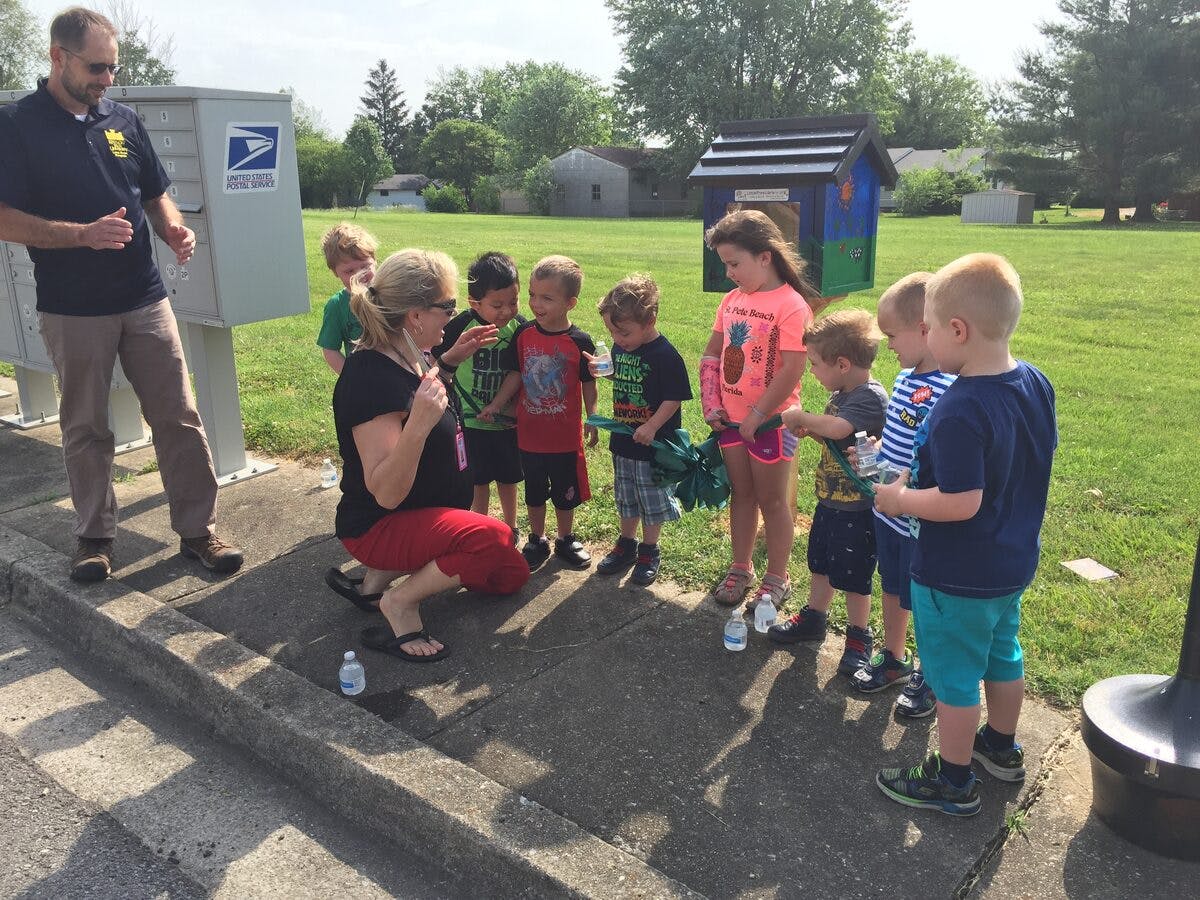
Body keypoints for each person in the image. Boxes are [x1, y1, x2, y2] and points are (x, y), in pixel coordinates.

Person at [0, 7, 242, 582]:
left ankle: (199, 531)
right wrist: (81, 236)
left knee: (179, 417)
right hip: (72, 307)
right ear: (58, 57)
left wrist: (172, 227)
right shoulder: (16, 124)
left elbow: (155, 191)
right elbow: (4, 216)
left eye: (113, 67)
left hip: (144, 297)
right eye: (97, 67)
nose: (107, 79)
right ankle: (93, 540)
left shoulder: (124, 119)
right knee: (86, 426)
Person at [873, 253, 1057, 816]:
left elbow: (961, 502)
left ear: (958, 330)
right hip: (1011, 562)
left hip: (957, 573)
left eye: (927, 328)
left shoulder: (958, 409)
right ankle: (999, 748)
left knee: (953, 676)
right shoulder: (1033, 383)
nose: (923, 338)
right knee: (1003, 655)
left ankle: (951, 779)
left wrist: (900, 499)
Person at [332, 249, 530, 662]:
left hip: (420, 512)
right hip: (378, 525)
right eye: (449, 307)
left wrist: (451, 361)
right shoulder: (369, 377)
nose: (454, 315)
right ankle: (399, 603)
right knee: (493, 537)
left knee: (511, 574)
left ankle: (374, 584)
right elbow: (385, 491)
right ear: (415, 315)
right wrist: (419, 424)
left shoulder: (410, 353)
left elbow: (426, 394)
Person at [849, 272, 955, 718]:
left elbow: (934, 459)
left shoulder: (950, 389)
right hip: (889, 512)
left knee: (927, 600)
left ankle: (931, 675)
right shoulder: (906, 378)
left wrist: (902, 484)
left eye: (893, 335)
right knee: (892, 586)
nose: (888, 345)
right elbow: (897, 441)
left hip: (919, 516)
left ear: (925, 329)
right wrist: (874, 454)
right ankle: (894, 658)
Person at [700, 210, 814, 611]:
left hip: (770, 423)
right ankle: (740, 566)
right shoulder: (732, 301)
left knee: (773, 501)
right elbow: (714, 353)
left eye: (734, 263)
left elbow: (792, 367)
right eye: (725, 264)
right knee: (742, 495)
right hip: (730, 420)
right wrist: (711, 403)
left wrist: (757, 415)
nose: (729, 273)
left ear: (765, 256)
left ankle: (777, 577)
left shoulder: (791, 305)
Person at [772, 309, 888, 676]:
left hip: (857, 508)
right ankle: (815, 617)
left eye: (815, 364)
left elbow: (840, 428)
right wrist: (814, 430)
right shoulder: (842, 392)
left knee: (854, 576)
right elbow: (836, 435)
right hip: (829, 501)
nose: (812, 371)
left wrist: (804, 418)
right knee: (819, 563)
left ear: (842, 363)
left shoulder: (869, 396)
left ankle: (858, 636)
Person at [480, 255, 598, 570]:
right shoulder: (523, 335)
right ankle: (537, 538)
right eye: (532, 295)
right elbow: (516, 375)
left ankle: (565, 537)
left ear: (570, 302)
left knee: (565, 492)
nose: (535, 303)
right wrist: (496, 404)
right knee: (534, 492)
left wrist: (593, 418)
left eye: (547, 298)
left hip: (564, 438)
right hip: (529, 437)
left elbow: (588, 385)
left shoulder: (580, 341)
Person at [591, 275, 692, 586]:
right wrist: (603, 372)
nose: (618, 339)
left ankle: (650, 549)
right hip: (623, 440)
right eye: (612, 332)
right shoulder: (623, 348)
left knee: (651, 500)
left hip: (653, 444)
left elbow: (673, 398)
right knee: (626, 495)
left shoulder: (666, 355)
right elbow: (624, 379)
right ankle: (627, 543)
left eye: (624, 332)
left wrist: (651, 426)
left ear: (650, 320)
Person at [433, 252, 525, 535]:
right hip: (470, 421)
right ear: (475, 302)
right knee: (478, 479)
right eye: (496, 305)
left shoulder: (520, 328)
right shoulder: (459, 326)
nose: (506, 311)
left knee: (508, 479)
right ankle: (480, 526)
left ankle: (511, 526)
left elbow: (523, 370)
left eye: (513, 302)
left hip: (505, 420)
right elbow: (438, 358)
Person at [315, 223, 377, 375]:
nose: (359, 275)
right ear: (335, 272)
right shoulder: (336, 305)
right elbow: (330, 350)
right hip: (364, 378)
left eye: (365, 266)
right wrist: (351, 377)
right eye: (349, 271)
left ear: (375, 261)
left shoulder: (390, 294)